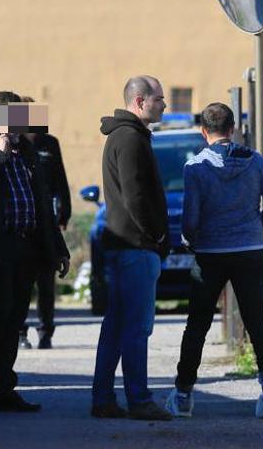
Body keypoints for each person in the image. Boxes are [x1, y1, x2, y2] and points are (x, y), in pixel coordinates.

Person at [166, 103, 263, 419]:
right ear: (233, 129)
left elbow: (190, 218)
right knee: (257, 320)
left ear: (204, 132)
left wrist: (191, 239)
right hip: (248, 250)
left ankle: (183, 394)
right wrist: (251, 225)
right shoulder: (256, 162)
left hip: (210, 253)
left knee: (198, 324)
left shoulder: (195, 168)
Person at [0, 90, 70, 412]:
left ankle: (4, 390)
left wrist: (57, 248)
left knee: (14, 318)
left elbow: (42, 201)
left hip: (27, 247)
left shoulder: (28, 152)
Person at [90, 75, 172, 421]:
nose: (164, 104)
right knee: (136, 328)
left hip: (128, 245)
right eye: (159, 99)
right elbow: (135, 195)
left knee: (117, 326)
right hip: (136, 246)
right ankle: (139, 399)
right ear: (140, 102)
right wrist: (156, 235)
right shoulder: (130, 139)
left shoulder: (127, 136)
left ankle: (104, 399)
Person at [19, 96, 71, 350]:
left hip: (45, 220)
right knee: (22, 283)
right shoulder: (12, 146)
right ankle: (20, 331)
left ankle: (45, 330)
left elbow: (60, 178)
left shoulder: (49, 144)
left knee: (46, 281)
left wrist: (65, 211)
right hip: (21, 223)